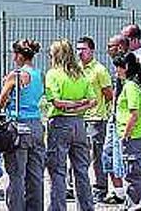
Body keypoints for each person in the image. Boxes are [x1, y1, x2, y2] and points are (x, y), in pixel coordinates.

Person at [45, 39, 96, 211]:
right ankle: (86, 207)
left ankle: (58, 208)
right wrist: (79, 105)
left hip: (60, 123)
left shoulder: (53, 74)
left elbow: (57, 102)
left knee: (58, 169)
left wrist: (69, 105)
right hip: (79, 123)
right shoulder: (80, 74)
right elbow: (92, 101)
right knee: (81, 169)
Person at [0, 39, 45, 211]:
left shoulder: (15, 75)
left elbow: (1, 101)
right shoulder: (39, 74)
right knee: (35, 175)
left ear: (19, 55)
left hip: (19, 126)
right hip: (37, 125)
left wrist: (6, 87)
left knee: (16, 174)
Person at [76, 36, 113, 202]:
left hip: (96, 119)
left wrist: (103, 110)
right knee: (77, 154)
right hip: (78, 117)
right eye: (78, 49)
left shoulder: (100, 70)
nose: (80, 52)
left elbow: (108, 94)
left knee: (97, 155)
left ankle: (100, 188)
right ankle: (74, 186)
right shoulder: (76, 69)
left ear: (92, 50)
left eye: (83, 49)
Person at [113, 52, 141, 211]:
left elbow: (134, 114)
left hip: (133, 136)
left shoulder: (131, 86)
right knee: (130, 172)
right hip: (134, 136)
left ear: (126, 67)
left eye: (118, 68)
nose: (116, 72)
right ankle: (131, 203)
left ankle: (136, 206)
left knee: (134, 173)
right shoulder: (135, 85)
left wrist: (126, 135)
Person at [102, 35, 130, 204]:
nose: (107, 49)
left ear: (119, 47)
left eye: (110, 46)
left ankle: (130, 192)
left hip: (124, 118)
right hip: (114, 116)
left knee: (125, 156)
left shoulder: (129, 68)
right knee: (109, 154)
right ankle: (119, 193)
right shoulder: (118, 68)